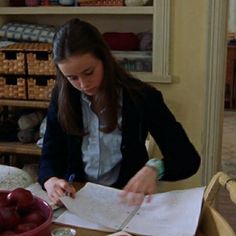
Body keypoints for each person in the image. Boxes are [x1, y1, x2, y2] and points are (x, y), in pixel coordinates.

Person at [38, 18, 201, 206]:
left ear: (105, 59)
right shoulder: (62, 96)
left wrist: (155, 168)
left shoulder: (143, 97)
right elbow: (49, 156)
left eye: (89, 72)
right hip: (79, 201)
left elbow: (188, 159)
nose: (83, 84)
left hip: (126, 203)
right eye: (72, 78)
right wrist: (50, 180)